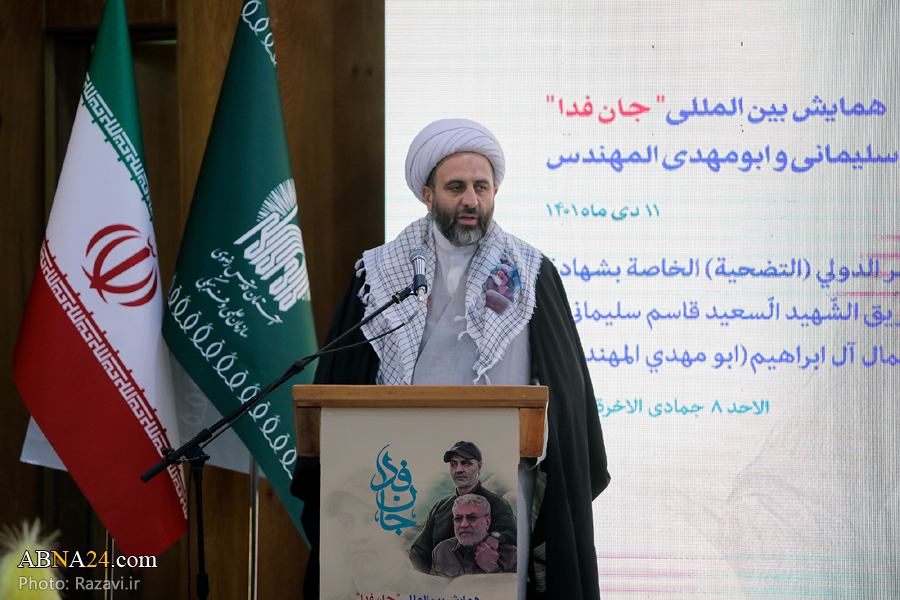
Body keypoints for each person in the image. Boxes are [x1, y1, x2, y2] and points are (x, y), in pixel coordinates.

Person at [293, 118, 610, 599]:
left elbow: (567, 396)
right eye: (456, 187)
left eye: (481, 187)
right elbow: (342, 380)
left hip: (503, 479)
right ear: (428, 194)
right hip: (394, 484)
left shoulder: (531, 273)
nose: (471, 201)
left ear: (495, 190)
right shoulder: (379, 274)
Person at [409, 441, 516, 573]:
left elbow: (512, 534)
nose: (458, 470)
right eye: (453, 464)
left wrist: (496, 537)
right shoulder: (440, 508)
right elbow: (421, 551)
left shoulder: (497, 504)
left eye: (466, 463)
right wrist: (402, 558)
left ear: (479, 466)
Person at [430, 495, 518, 579]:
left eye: (471, 518)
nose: (463, 524)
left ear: (487, 522)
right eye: (458, 518)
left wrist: (494, 569)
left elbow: (513, 589)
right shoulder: (442, 550)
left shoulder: (512, 556)